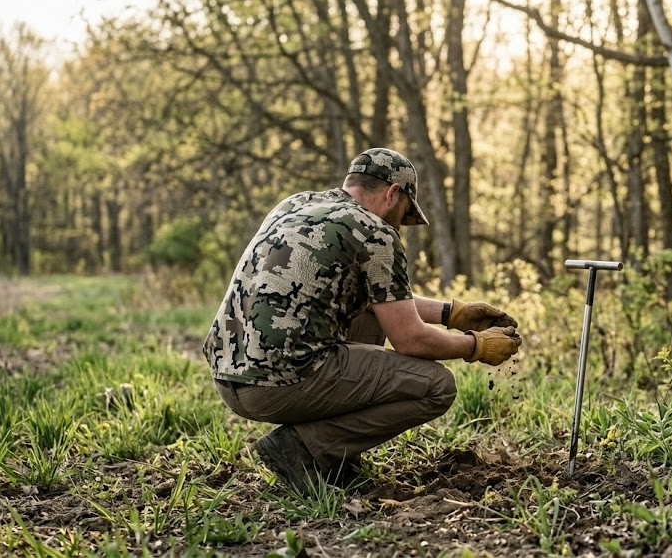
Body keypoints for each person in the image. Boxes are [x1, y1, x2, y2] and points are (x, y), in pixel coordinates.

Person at [202, 147, 522, 492]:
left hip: (229, 376)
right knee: (436, 387)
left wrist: (454, 314)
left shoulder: (295, 205)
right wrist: (476, 347)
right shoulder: (375, 232)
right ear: (393, 192)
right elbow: (411, 339)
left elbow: (380, 300)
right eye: (404, 212)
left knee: (370, 319)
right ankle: (305, 449)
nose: (400, 222)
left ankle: (335, 459)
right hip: (277, 386)